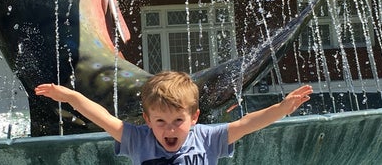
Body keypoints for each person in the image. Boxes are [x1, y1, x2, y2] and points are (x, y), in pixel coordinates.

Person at [34, 71, 313, 165]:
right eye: (160, 122)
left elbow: (246, 123)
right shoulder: (138, 139)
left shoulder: (207, 137)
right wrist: (71, 97)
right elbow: (104, 117)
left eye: (178, 121)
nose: (169, 129)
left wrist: (282, 108)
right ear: (147, 119)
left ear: (194, 118)